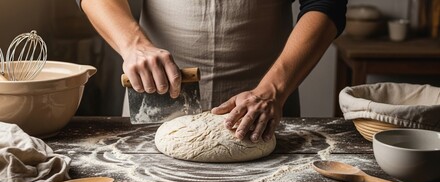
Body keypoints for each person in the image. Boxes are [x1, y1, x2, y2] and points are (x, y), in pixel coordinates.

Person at [76, 0, 347, 143]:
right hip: (156, 97)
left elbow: (326, 4)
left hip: (261, 105)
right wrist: (133, 45)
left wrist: (273, 90)